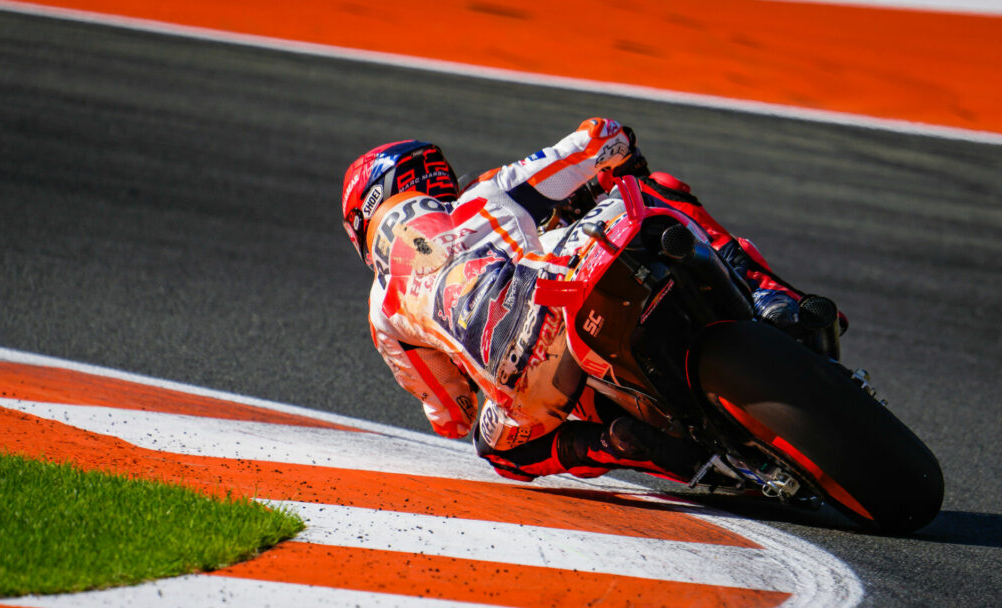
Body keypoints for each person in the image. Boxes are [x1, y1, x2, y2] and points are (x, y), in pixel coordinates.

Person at [341, 118, 821, 483]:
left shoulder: (381, 308)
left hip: (532, 386)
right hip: (559, 294)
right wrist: (623, 158)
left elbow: (452, 417)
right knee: (655, 192)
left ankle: (624, 445)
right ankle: (765, 293)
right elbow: (595, 136)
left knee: (496, 452)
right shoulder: (481, 196)